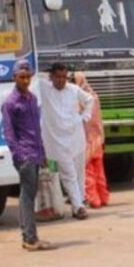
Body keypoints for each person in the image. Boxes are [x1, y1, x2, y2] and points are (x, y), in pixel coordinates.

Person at [0, 60, 53, 251]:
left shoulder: (32, 99)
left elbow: (36, 129)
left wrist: (43, 152)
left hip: (36, 152)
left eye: (28, 77)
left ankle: (28, 236)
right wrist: (19, 155)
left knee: (27, 195)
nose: (25, 81)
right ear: (14, 77)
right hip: (25, 155)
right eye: (21, 77)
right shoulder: (10, 103)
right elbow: (9, 133)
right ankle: (30, 238)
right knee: (27, 196)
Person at [39, 62, 94, 220]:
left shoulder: (73, 89)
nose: (61, 80)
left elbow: (90, 100)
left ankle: (79, 203)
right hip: (56, 140)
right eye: (58, 77)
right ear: (51, 77)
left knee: (79, 173)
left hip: (76, 137)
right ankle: (78, 206)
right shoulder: (44, 88)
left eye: (64, 77)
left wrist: (85, 116)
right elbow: (32, 75)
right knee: (68, 174)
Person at [74, 72, 109, 208]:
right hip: (98, 140)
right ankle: (104, 197)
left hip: (85, 141)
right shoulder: (94, 96)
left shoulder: (79, 99)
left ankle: (94, 200)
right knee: (99, 171)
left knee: (87, 172)